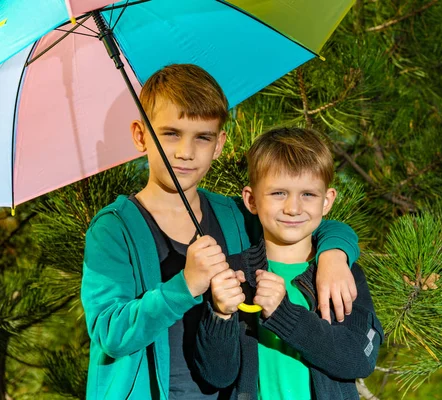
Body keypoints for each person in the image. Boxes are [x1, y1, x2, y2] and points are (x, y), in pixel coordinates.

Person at [80, 65, 361, 400]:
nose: (186, 151)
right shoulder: (114, 228)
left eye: (202, 137)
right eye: (171, 133)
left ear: (219, 144)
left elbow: (301, 222)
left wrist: (334, 253)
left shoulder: (233, 215)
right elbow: (110, 331)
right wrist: (185, 286)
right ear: (141, 135)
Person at [200, 127, 384, 399]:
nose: (293, 208)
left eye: (308, 194)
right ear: (251, 200)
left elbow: (359, 358)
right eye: (278, 194)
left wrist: (283, 314)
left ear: (327, 201)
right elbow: (216, 375)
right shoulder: (233, 275)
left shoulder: (343, 275)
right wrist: (220, 316)